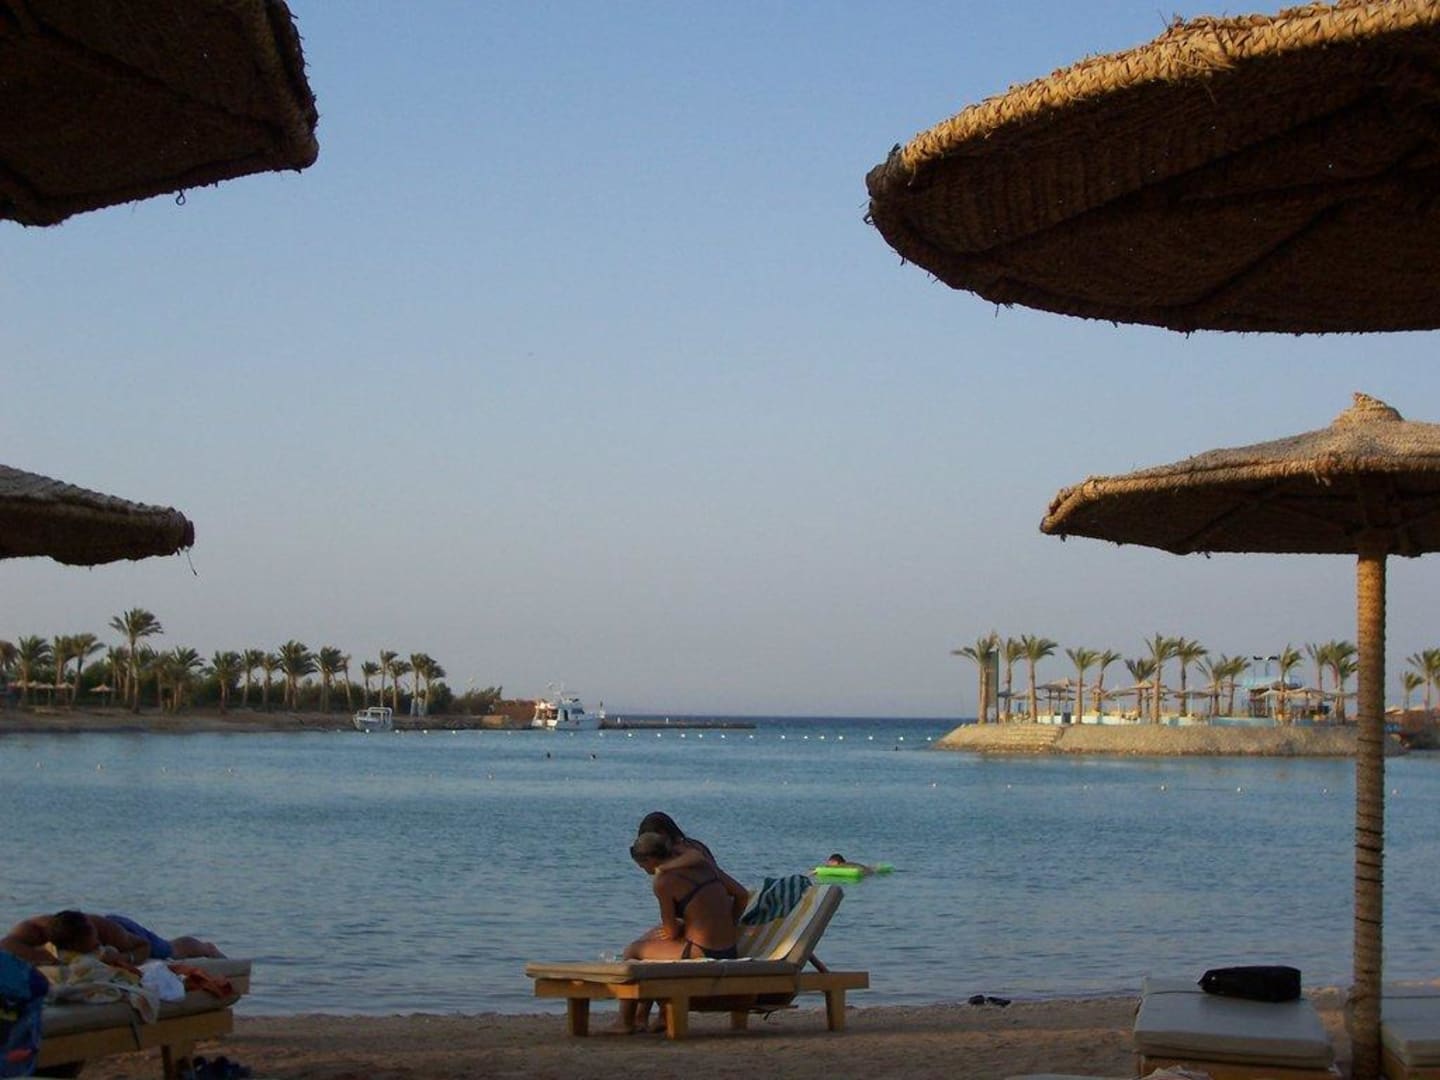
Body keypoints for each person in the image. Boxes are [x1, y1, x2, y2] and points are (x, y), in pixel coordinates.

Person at [602, 832, 749, 1034]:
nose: (644, 870)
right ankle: (647, 1017)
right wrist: (730, 925)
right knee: (650, 940)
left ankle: (625, 1022)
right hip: (729, 949)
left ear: (649, 860)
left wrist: (675, 928)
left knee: (633, 951)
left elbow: (670, 932)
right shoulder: (706, 866)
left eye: (642, 866)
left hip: (701, 951)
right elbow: (741, 894)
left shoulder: (663, 882)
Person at [0, 910, 225, 967]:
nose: (96, 946)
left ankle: (207, 948)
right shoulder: (36, 929)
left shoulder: (107, 931)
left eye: (96, 944)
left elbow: (143, 947)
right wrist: (46, 959)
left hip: (125, 929)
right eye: (90, 947)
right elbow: (6, 945)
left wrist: (125, 958)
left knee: (169, 950)